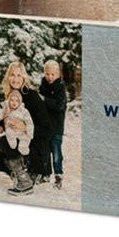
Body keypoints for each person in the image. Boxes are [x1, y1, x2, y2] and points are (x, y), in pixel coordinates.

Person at [0, 61, 53, 196]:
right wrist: (2, 124)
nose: (15, 79)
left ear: (24, 77)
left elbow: (48, 130)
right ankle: (22, 172)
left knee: (5, 143)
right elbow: (9, 122)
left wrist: (25, 127)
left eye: (19, 75)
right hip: (20, 142)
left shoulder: (32, 96)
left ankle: (26, 180)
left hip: (36, 146)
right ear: (8, 77)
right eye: (12, 75)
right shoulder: (9, 97)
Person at [39, 60, 67, 189]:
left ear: (58, 74)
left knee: (56, 152)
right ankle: (45, 174)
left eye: (53, 74)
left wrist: (44, 99)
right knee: (45, 151)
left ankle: (58, 175)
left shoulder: (60, 88)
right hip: (45, 126)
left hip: (56, 126)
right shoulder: (43, 86)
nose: (50, 77)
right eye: (47, 74)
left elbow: (59, 105)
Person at [0, 89, 34, 156]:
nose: (14, 102)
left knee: (25, 138)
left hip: (21, 130)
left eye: (16, 101)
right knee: (9, 133)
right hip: (10, 128)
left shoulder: (24, 111)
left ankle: (23, 147)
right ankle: (12, 143)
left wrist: (30, 133)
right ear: (9, 101)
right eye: (12, 100)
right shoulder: (6, 109)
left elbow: (29, 122)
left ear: (20, 102)